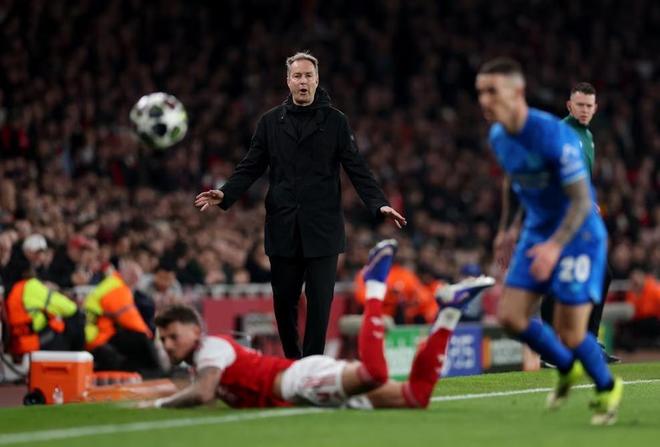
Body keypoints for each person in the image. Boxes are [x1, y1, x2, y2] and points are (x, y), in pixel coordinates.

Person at [194, 52, 406, 359]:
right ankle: (293, 363)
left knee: (319, 304)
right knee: (284, 304)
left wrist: (379, 204)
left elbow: (357, 168)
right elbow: (250, 166)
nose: (303, 81)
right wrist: (226, 194)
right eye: (297, 76)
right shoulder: (270, 122)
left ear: (317, 80)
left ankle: (312, 365)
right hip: (283, 227)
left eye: (308, 76)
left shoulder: (336, 122)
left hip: (323, 229)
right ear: (288, 81)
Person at [135, 240, 495, 410]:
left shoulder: (210, 348)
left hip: (298, 383)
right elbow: (204, 390)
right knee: (415, 398)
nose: (167, 344)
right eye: (163, 339)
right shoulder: (202, 364)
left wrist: (158, 405)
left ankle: (374, 284)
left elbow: (202, 392)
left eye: (172, 336)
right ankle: (450, 313)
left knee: (373, 374)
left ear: (195, 331)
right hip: (306, 396)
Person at [475, 57, 622, 425]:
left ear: (518, 92)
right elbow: (513, 180)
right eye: (481, 92)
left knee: (571, 331)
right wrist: (506, 229)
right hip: (538, 229)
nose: (484, 99)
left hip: (578, 233)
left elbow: (582, 202)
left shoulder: (554, 136)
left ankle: (607, 388)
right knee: (510, 316)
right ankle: (568, 367)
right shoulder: (498, 136)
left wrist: (555, 246)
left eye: (493, 91)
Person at [538, 83, 619, 363]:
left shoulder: (588, 136)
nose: (584, 110)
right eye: (580, 105)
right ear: (569, 105)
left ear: (595, 108)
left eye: (588, 105)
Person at [84, 260, 162, 377]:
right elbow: (130, 319)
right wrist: (149, 335)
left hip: (94, 333)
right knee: (141, 338)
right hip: (99, 337)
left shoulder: (111, 283)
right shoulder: (118, 289)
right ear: (132, 277)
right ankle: (156, 373)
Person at [3, 255, 84, 360]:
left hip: (15, 343)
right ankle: (77, 362)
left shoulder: (11, 289)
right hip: (29, 342)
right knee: (75, 319)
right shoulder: (30, 286)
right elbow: (69, 308)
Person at [353, 258, 438, 324]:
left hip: (397, 315)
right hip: (373, 312)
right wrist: (389, 294)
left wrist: (408, 300)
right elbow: (361, 298)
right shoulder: (364, 273)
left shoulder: (404, 274)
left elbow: (422, 296)